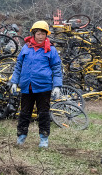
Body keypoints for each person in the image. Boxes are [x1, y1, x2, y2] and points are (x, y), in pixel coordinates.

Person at [10, 20, 63, 148]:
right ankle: (21, 137)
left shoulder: (51, 50)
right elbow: (18, 66)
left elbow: (57, 68)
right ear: (33, 34)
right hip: (27, 87)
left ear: (46, 35)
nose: (40, 37)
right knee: (24, 113)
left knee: (43, 114)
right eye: (38, 34)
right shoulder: (26, 48)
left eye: (43, 34)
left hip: (43, 87)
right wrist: (14, 82)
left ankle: (44, 139)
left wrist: (57, 86)